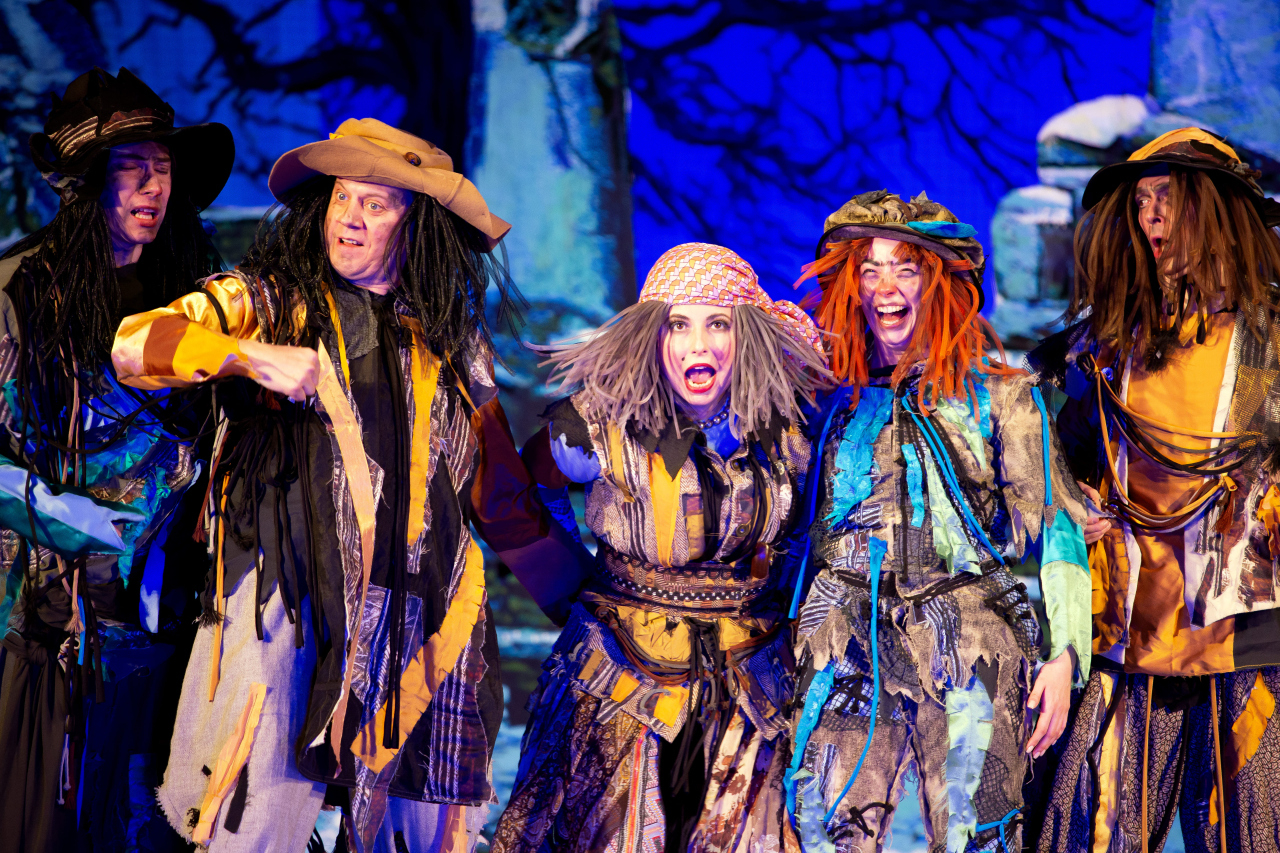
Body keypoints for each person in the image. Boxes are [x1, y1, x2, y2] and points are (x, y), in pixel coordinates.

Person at [111, 118, 592, 852]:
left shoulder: (451, 341)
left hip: (421, 624)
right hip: (288, 613)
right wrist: (248, 357)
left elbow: (500, 499)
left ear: (416, 224)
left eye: (375, 203)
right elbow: (134, 344)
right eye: (342, 197)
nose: (351, 217)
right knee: (253, 823)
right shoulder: (269, 303)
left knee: (418, 834)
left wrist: (590, 608)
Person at [491, 243, 830, 852]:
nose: (698, 345)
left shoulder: (787, 429)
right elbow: (532, 486)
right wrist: (570, 577)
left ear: (747, 335)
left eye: (718, 323)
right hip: (619, 675)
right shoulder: (600, 426)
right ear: (653, 333)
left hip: (750, 682)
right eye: (678, 324)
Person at [785, 191, 1091, 853]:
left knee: (975, 835)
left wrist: (1067, 654)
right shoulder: (829, 399)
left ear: (939, 283)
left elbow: (1060, 530)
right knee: (820, 830)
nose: (884, 286)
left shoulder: (1000, 393)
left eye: (905, 268)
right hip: (844, 635)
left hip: (968, 634)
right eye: (869, 268)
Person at [0, 67, 232, 852]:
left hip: (170, 611)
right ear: (88, 181)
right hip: (50, 621)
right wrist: (69, 516)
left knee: (147, 818)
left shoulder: (195, 296)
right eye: (133, 167)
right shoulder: (20, 294)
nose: (153, 186)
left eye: (163, 168)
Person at [1032, 128, 1280, 853]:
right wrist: (1074, 500)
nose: (1151, 217)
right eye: (1141, 201)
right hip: (1127, 631)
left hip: (1246, 639)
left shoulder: (1272, 337)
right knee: (1089, 834)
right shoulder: (1103, 346)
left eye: (1168, 197)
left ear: (1216, 209)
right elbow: (1055, 463)